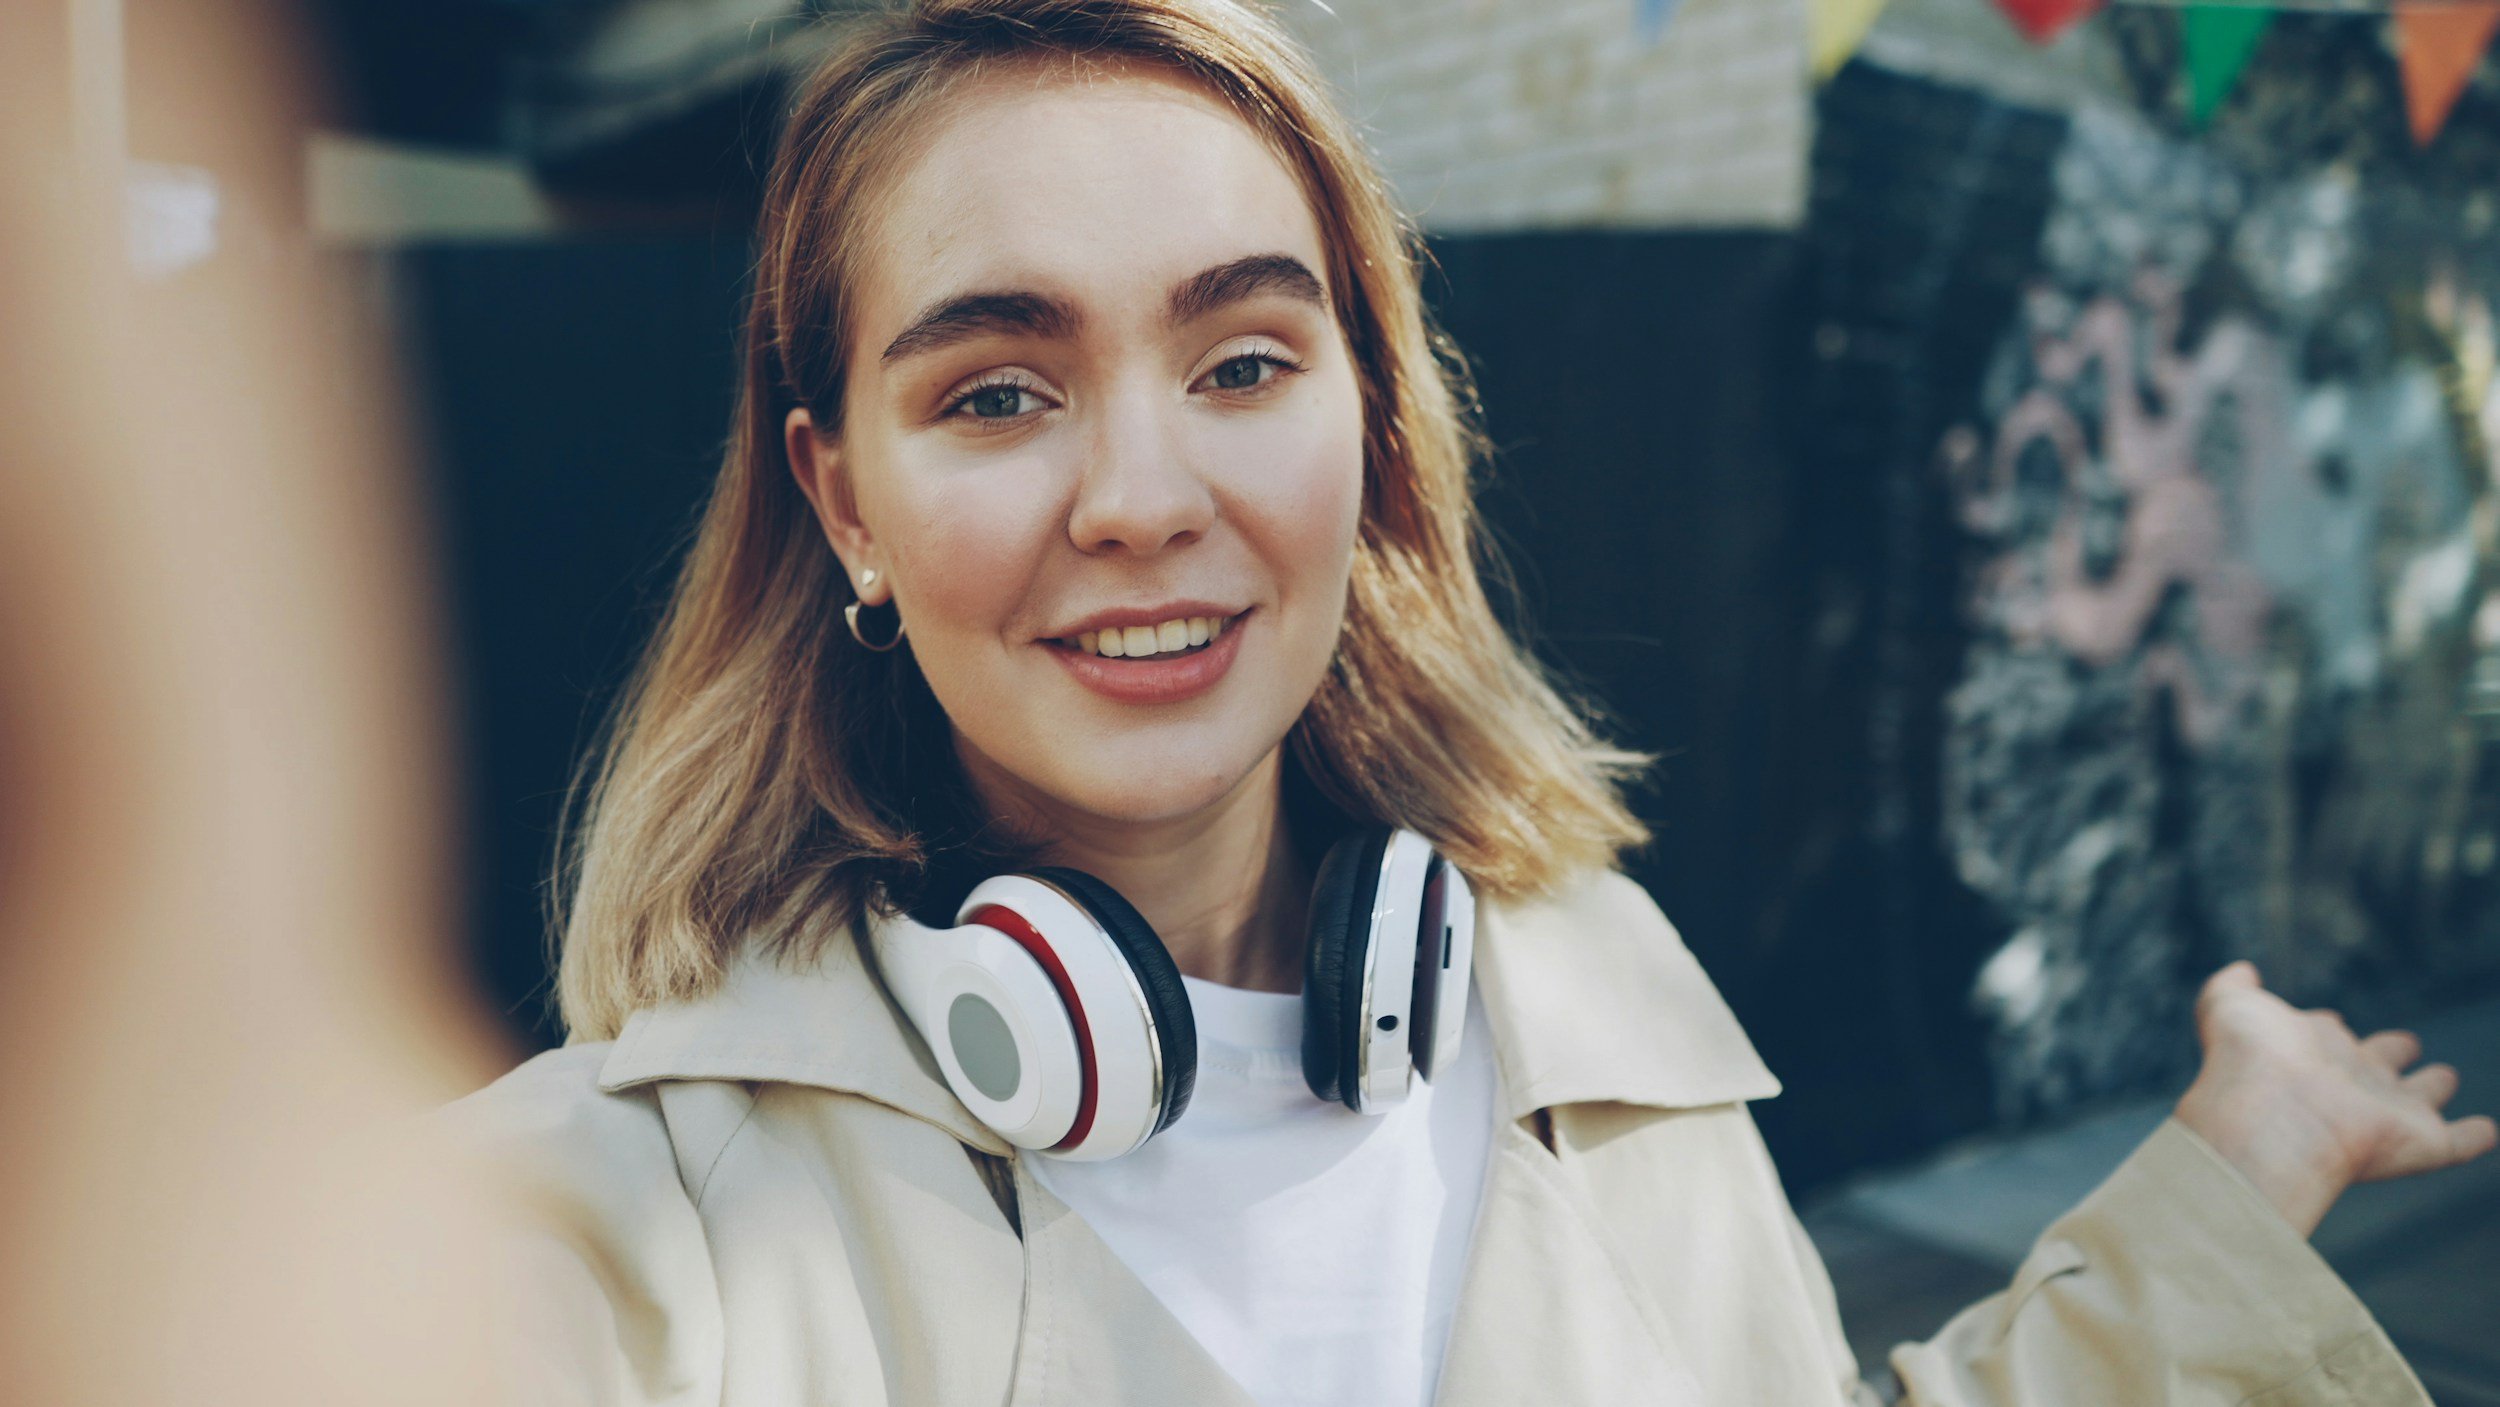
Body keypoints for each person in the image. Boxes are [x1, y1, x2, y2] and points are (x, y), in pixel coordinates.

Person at [443, 1, 2497, 1403]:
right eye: (997, 390)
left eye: (1243, 361)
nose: (1144, 498)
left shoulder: (1580, 1009)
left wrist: (2220, 1191)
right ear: (841, 498)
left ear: (1371, 422)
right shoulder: (589, 1241)